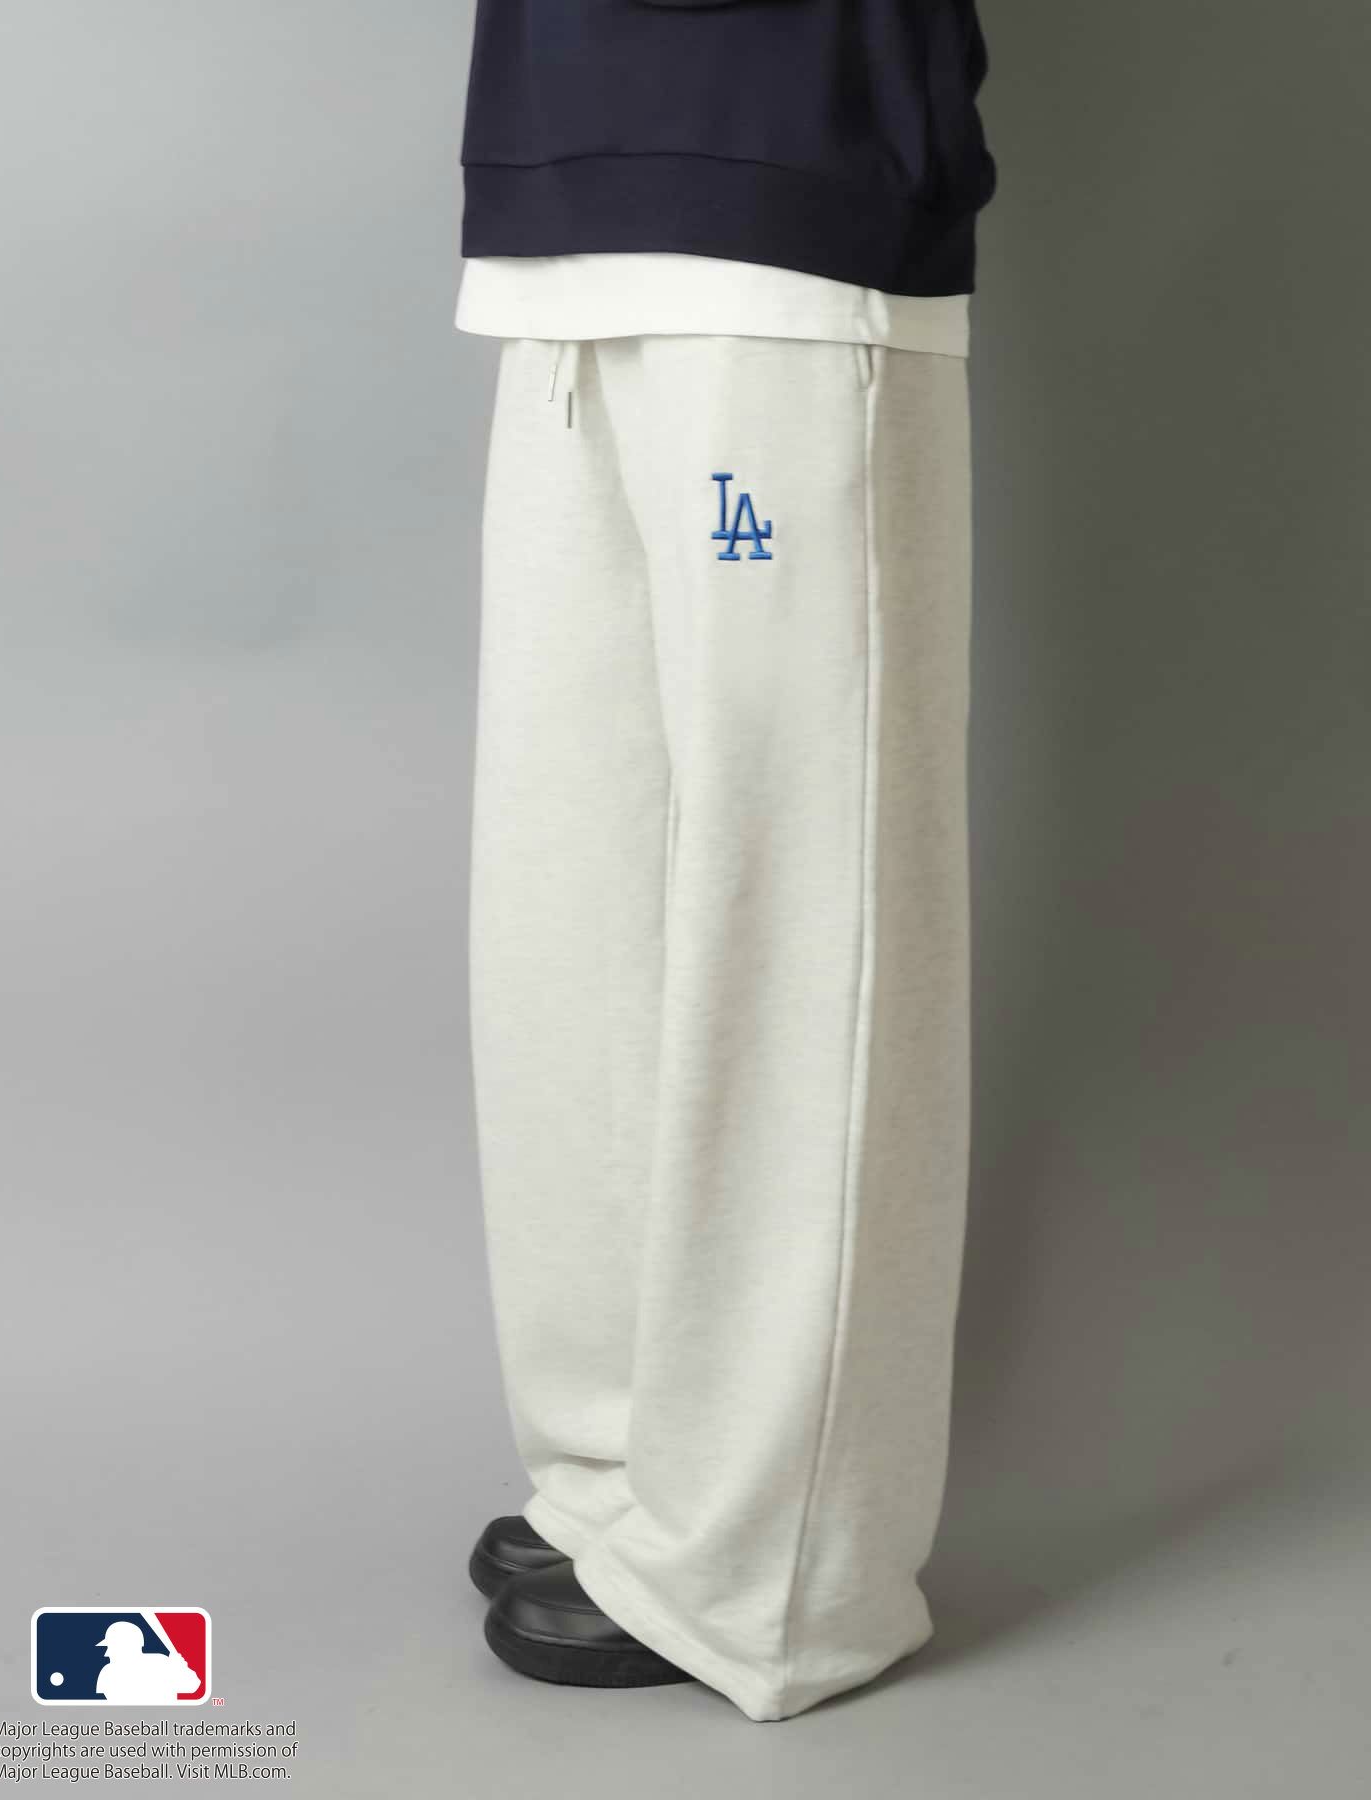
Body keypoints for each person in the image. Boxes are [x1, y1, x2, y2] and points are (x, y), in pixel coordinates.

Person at [457, 0, 997, 1723]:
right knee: (576, 903)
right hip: (561, 194)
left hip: (795, 189)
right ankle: (627, 1480)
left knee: (797, 907)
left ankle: (776, 1571)